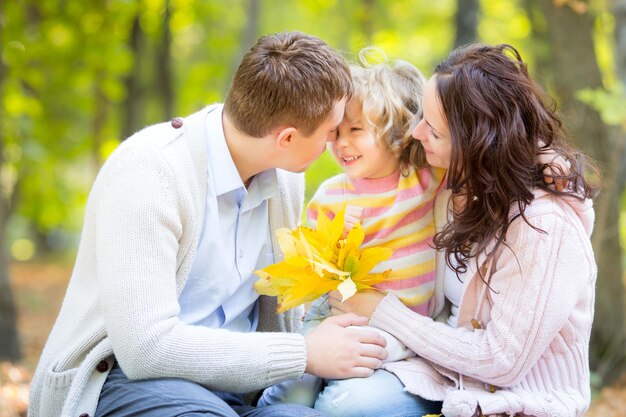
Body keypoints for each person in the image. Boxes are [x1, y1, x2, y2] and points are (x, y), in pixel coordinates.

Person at [27, 31, 389, 417]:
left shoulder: (285, 178)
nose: (334, 143)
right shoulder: (149, 173)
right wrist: (304, 353)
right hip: (124, 382)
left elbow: (279, 305)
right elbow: (145, 350)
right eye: (330, 131)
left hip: (234, 390)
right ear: (286, 137)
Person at [328, 43, 598, 417]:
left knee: (346, 407)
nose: (417, 133)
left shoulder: (543, 230)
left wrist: (383, 311)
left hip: (516, 393)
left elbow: (501, 362)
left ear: (478, 145)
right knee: (334, 386)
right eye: (422, 117)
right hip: (446, 372)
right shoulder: (451, 194)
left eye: (434, 131)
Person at [257, 50, 444, 417]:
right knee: (293, 389)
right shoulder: (332, 193)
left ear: (396, 133)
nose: (341, 144)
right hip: (333, 313)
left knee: (349, 386)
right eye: (335, 133)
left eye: (356, 130)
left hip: (402, 328)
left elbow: (474, 157)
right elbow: (311, 262)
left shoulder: (423, 180)